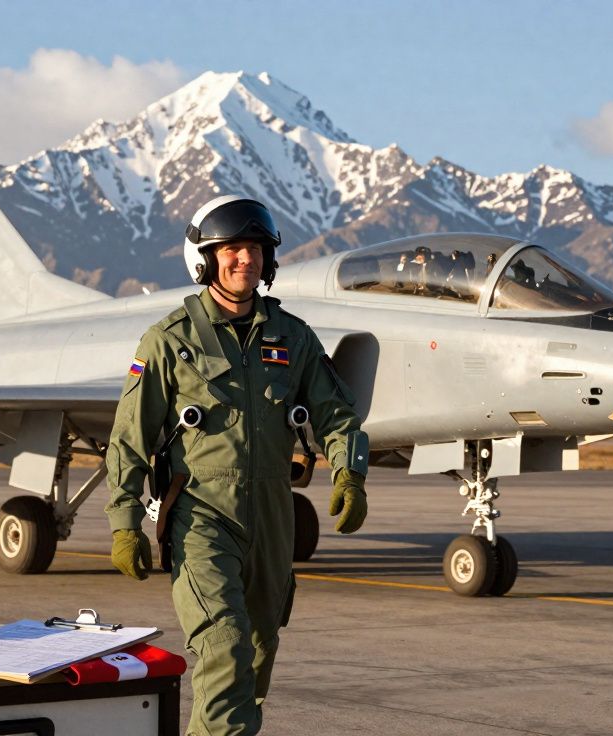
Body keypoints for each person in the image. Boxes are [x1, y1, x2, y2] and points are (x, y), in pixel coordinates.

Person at [105, 195, 369, 735]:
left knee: (256, 653)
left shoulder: (293, 337)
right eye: (231, 249)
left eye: (255, 249)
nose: (245, 259)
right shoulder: (169, 340)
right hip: (202, 512)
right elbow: (129, 436)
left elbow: (335, 413)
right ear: (205, 259)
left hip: (272, 516)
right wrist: (124, 523)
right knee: (223, 647)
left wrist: (349, 471)